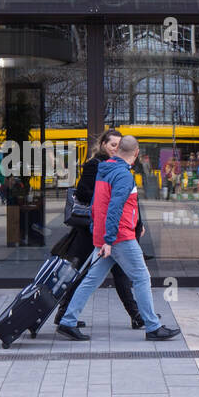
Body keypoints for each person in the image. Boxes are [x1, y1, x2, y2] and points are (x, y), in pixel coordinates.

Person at [56, 135, 181, 342]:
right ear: (137, 152)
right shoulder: (123, 175)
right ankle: (152, 327)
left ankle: (67, 321)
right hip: (119, 237)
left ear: (118, 149)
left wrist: (99, 233)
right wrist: (109, 239)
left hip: (105, 236)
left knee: (91, 280)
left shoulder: (105, 169)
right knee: (142, 278)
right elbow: (115, 207)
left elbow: (96, 203)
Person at [50, 129, 145, 330]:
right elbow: (85, 193)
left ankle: (137, 315)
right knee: (84, 275)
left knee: (113, 274)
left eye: (119, 146)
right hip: (92, 231)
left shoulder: (119, 168)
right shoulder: (95, 166)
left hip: (108, 230)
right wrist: (104, 194)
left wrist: (139, 223)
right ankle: (64, 315)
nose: (116, 149)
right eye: (113, 145)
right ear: (103, 144)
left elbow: (127, 200)